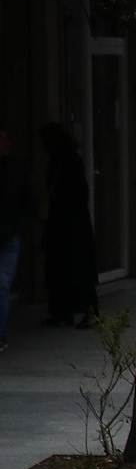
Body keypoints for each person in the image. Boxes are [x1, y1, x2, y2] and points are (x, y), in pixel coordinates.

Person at [39, 123, 98, 329]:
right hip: (63, 224)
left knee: (76, 270)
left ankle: (85, 312)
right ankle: (62, 312)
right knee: (61, 270)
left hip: (71, 225)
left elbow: (79, 193)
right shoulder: (62, 160)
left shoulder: (69, 161)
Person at [0, 128, 33, 352]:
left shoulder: (17, 169)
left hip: (9, 235)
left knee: (2, 286)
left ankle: (1, 336)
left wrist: (19, 227)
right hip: (10, 232)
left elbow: (26, 200)